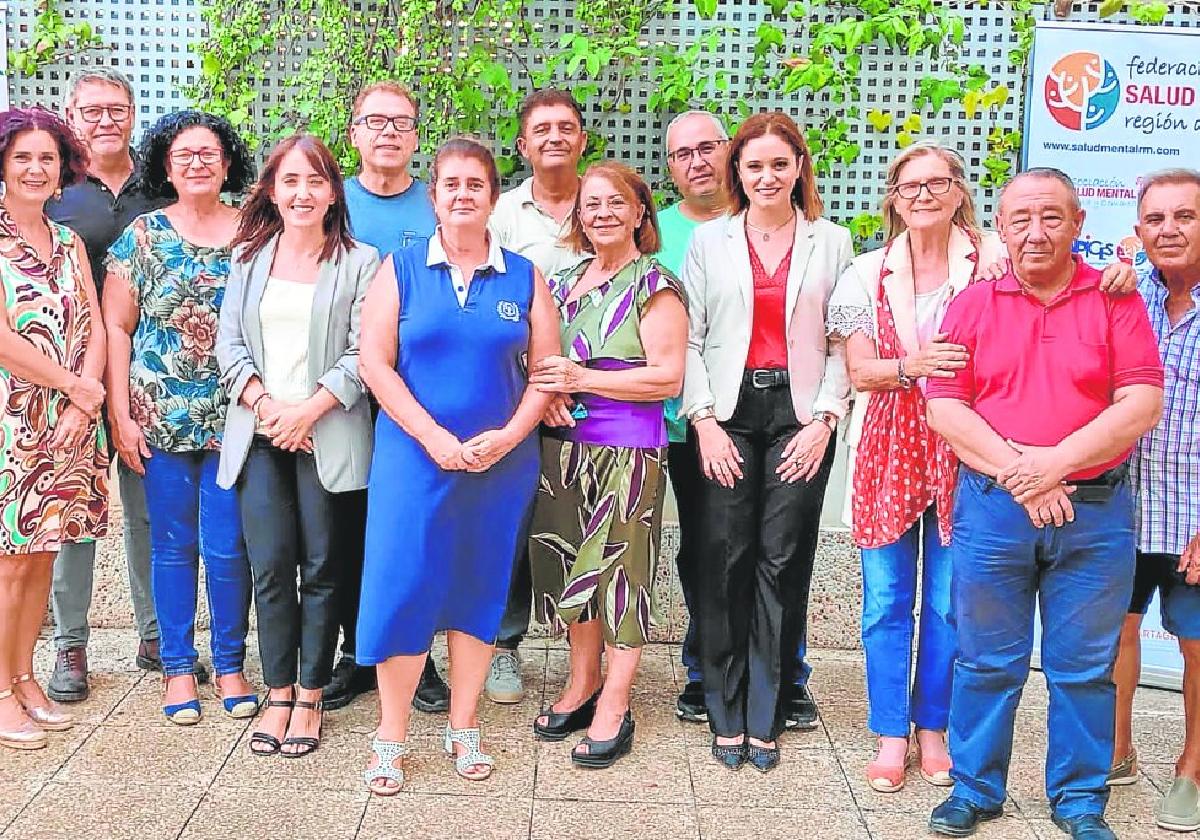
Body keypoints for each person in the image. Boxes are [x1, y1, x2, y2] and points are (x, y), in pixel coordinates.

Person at [925, 168, 1164, 840]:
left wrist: (1053, 466)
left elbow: (1141, 403)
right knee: (985, 659)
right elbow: (946, 407)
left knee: (1084, 666)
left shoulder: (1116, 300)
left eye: (1051, 217)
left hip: (1094, 514)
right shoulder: (971, 305)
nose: (1036, 232)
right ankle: (974, 789)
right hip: (994, 509)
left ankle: (1080, 799)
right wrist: (1025, 478)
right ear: (999, 228)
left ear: (1079, 224)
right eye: (1020, 218)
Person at [357, 137, 558, 795]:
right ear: (434, 195)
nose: (464, 194)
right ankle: (391, 735)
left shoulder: (525, 276)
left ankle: (463, 724)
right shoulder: (402, 268)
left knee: (478, 589)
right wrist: (435, 438)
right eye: (452, 184)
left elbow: (545, 375)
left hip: (500, 466)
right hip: (414, 461)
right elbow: (374, 365)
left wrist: (508, 436)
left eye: (476, 184)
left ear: (493, 198)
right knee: (404, 587)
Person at [679, 111, 852, 772]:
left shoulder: (830, 242)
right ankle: (725, 706)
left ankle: (767, 709)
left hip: (799, 412)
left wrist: (825, 419)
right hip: (726, 411)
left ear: (799, 168)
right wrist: (702, 422)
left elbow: (844, 343)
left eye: (780, 164)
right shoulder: (710, 243)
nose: (768, 176)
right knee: (724, 556)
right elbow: (689, 338)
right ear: (737, 173)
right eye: (754, 166)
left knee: (782, 560)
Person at [216, 134, 378, 757]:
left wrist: (308, 411)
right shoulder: (248, 258)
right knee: (270, 567)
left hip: (325, 435)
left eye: (315, 181)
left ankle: (312, 694)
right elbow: (228, 344)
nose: (302, 193)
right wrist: (266, 405)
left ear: (333, 191)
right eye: (290, 182)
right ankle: (277, 689)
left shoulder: (361, 262)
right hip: (259, 434)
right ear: (273, 191)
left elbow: (364, 353)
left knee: (324, 568)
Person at [529, 162, 688, 769]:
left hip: (628, 450)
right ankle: (582, 680)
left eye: (615, 203)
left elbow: (667, 376)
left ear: (640, 213)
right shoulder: (561, 281)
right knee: (573, 567)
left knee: (619, 574)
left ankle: (615, 705)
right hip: (563, 448)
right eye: (590, 204)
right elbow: (537, 357)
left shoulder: (655, 283)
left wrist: (581, 378)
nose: (601, 214)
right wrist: (551, 391)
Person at [104, 111, 257, 725]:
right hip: (158, 416)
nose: (197, 163)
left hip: (234, 419)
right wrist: (120, 410)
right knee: (171, 547)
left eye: (209, 153)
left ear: (227, 163)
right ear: (165, 166)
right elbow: (117, 326)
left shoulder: (254, 231)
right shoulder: (142, 236)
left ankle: (229, 664)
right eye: (184, 154)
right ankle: (175, 666)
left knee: (226, 548)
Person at [45, 68, 181, 703]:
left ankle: (155, 632)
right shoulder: (54, 189)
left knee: (146, 508)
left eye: (116, 109)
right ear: (72, 115)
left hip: (143, 374)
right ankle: (70, 642)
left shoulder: (161, 186)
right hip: (67, 374)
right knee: (72, 510)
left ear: (133, 113)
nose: (106, 120)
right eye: (92, 110)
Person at [323, 81, 445, 715]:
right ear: (354, 133)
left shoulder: (437, 204)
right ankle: (357, 653)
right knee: (347, 528)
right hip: (344, 393)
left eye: (401, 122)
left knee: (413, 529)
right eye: (375, 121)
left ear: (416, 136)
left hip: (420, 392)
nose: (388, 132)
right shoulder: (331, 200)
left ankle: (415, 655)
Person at [0, 107, 107, 750]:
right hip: (13, 420)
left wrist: (81, 403)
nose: (36, 168)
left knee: (44, 555)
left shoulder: (66, 241)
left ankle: (24, 677)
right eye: (22, 158)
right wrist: (71, 387)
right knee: (7, 564)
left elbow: (92, 321)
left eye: (47, 158)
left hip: (68, 423)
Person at [485, 88, 588, 704]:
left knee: (585, 523)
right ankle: (503, 644)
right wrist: (539, 386)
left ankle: (588, 649)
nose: (554, 137)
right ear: (522, 145)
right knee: (513, 525)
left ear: (581, 139)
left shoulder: (602, 203)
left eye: (566, 127)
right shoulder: (502, 215)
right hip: (517, 396)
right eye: (541, 129)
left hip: (599, 395)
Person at [1108, 168, 1200, 833]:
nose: (1169, 229)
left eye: (1185, 216)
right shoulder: (1127, 296)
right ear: (1138, 230)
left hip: (1195, 515)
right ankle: (1116, 752)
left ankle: (1191, 771)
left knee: (1198, 647)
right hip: (1125, 505)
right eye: (1156, 218)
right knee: (1118, 632)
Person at [657, 111, 729, 726]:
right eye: (683, 154)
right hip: (675, 424)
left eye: (708, 148)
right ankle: (704, 665)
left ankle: (783, 671)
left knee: (767, 551)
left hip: (757, 417)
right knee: (702, 550)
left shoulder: (763, 219)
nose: (697, 161)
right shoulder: (654, 232)